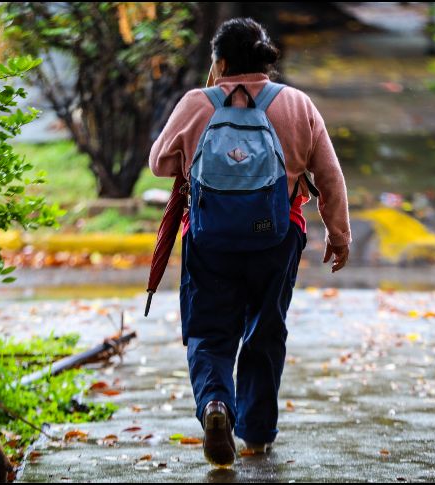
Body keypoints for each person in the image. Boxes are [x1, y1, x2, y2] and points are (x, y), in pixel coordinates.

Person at [149, 17, 351, 468]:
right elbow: (329, 175)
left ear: (219, 61)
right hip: (277, 238)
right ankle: (256, 435)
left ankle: (216, 405)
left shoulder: (196, 103)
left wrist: (204, 106)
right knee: (266, 329)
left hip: (209, 239)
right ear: (266, 60)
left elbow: (159, 163)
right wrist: (339, 235)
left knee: (209, 331)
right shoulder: (297, 104)